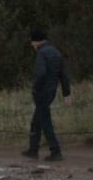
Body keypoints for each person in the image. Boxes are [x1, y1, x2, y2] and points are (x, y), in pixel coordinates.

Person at [22, 29, 72, 162]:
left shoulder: (41, 52)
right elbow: (63, 75)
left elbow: (41, 74)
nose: (32, 45)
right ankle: (33, 150)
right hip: (51, 91)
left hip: (42, 92)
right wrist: (66, 93)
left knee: (45, 121)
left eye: (32, 42)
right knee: (37, 121)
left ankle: (55, 151)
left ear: (37, 41)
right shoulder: (56, 52)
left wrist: (35, 88)